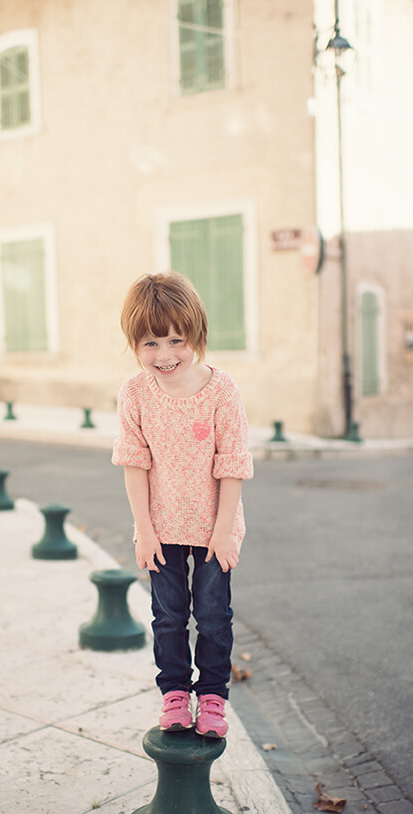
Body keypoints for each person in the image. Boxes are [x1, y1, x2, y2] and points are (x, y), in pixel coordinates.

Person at [112, 271, 254, 738]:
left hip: (215, 525)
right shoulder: (134, 393)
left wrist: (223, 529)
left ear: (197, 334)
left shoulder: (222, 391)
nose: (165, 354)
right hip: (160, 526)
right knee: (168, 617)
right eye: (150, 343)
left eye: (176, 340)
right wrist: (144, 529)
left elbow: (232, 465)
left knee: (213, 616)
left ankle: (212, 697)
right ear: (134, 343)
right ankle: (174, 693)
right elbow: (134, 463)